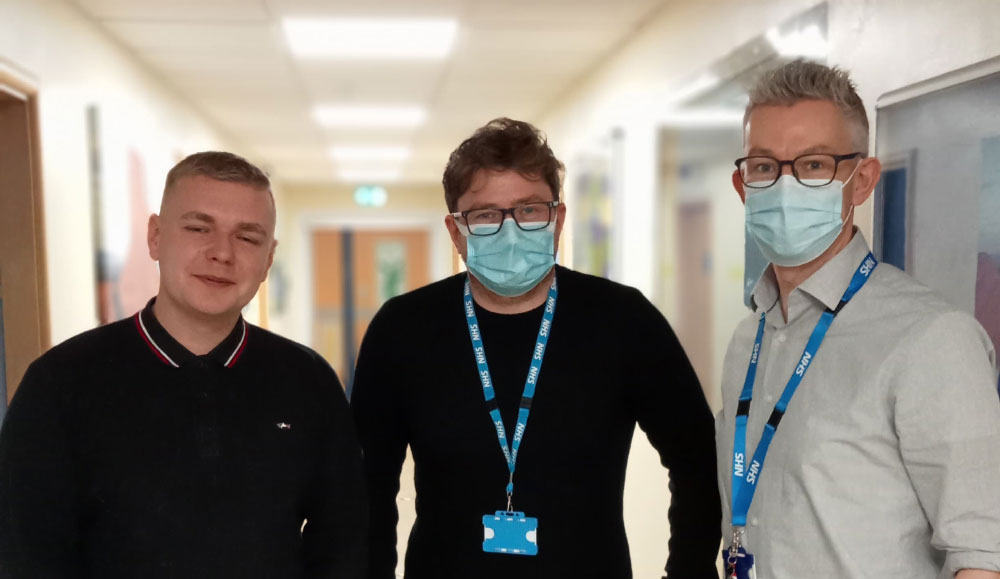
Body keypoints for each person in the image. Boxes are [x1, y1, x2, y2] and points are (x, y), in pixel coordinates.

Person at [351, 117, 720, 579]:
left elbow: (698, 461)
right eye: (485, 215)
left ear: (558, 219)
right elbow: (367, 488)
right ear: (455, 230)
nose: (510, 230)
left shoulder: (623, 320)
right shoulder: (402, 329)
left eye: (529, 209)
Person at [0, 152, 367, 578]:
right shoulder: (60, 383)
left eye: (247, 238)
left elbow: (344, 545)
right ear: (155, 236)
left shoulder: (309, 381)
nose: (222, 253)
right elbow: (26, 554)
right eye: (198, 228)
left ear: (269, 258)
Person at [718, 60, 1000, 579]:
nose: (785, 186)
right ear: (742, 185)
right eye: (764, 167)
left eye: (813, 165)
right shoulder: (747, 340)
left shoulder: (931, 339)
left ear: (862, 180)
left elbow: (983, 553)